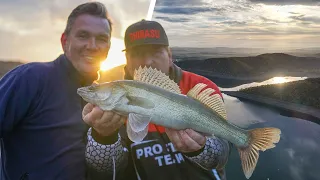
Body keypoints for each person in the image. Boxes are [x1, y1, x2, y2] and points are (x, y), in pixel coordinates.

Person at [82, 20, 231, 180]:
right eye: (138, 53)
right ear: (127, 58)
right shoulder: (112, 102)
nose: (147, 61)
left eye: (155, 52)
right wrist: (103, 137)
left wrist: (201, 149)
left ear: (169, 54)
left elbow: (221, 156)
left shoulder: (201, 88)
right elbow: (107, 170)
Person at [0, 2, 113, 180]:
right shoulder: (30, 78)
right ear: (64, 41)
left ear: (108, 48)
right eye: (83, 36)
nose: (92, 46)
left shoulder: (107, 97)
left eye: (101, 38)